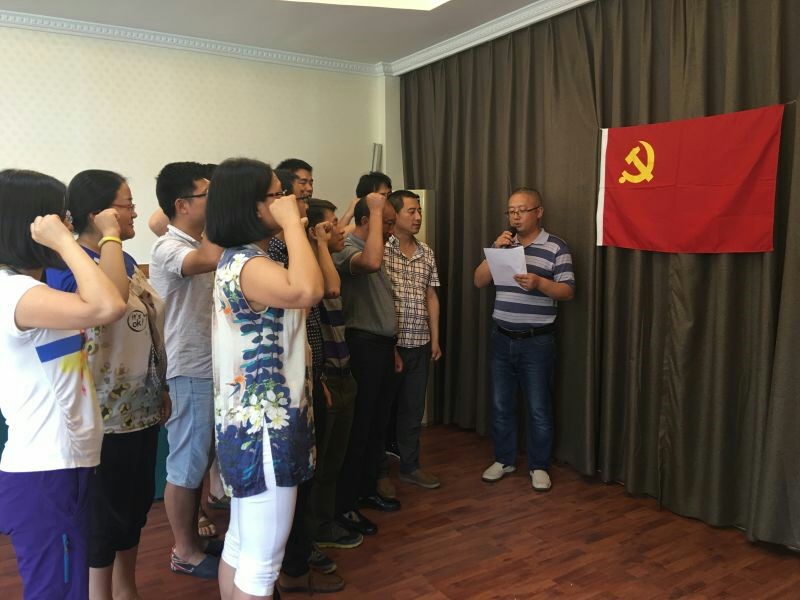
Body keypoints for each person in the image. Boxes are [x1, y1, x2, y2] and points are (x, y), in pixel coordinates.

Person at [0, 169, 126, 599]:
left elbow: (111, 298)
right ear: (32, 223)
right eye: (61, 217)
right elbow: (107, 306)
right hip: (45, 469)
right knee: (57, 592)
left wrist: (89, 239)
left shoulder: (29, 288)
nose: (69, 226)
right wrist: (64, 242)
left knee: (71, 588)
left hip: (64, 463)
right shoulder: (14, 293)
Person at [46, 170, 170, 600]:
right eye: (126, 204)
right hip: (100, 417)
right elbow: (112, 304)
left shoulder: (126, 260)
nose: (134, 212)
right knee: (102, 519)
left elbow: (146, 329)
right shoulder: (66, 266)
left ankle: (125, 589)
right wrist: (110, 239)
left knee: (134, 509)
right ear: (97, 214)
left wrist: (160, 387)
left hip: (141, 408)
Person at [206, 158, 323, 600]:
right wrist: (293, 224)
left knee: (241, 546)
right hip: (265, 431)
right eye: (277, 194)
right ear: (251, 205)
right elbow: (308, 290)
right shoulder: (249, 265)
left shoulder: (241, 259)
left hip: (250, 424)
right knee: (261, 565)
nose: (287, 200)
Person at [473, 187, 575, 492]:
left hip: (537, 341)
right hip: (501, 337)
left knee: (538, 407)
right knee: (501, 404)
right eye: (511, 211)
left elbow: (568, 291)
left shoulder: (556, 246)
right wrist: (494, 250)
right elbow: (479, 280)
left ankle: (539, 465)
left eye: (522, 210)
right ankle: (504, 459)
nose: (515, 217)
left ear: (538, 212)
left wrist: (540, 283)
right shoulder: (504, 244)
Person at [149, 162, 224, 578]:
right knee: (186, 465)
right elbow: (210, 258)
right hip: (187, 367)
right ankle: (183, 552)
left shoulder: (192, 239)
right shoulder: (169, 246)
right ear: (182, 205)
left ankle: (194, 540)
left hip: (208, 366)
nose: (215, 201)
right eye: (207, 195)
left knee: (201, 458)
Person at [333, 172, 401, 538]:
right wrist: (376, 210)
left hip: (382, 348)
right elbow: (370, 263)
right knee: (359, 429)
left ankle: (366, 488)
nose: (390, 230)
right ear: (366, 220)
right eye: (386, 223)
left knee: (377, 426)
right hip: (362, 347)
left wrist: (394, 348)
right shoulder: (348, 248)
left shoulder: (376, 245)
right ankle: (346, 503)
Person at [304, 199, 361, 550]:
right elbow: (331, 289)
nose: (340, 230)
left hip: (343, 370)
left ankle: (327, 519)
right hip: (326, 377)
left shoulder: (326, 260)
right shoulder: (310, 268)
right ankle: (316, 530)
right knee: (321, 462)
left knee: (335, 460)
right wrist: (321, 244)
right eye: (331, 225)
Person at [383, 190, 442, 490]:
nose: (418, 217)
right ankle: (379, 473)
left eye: (419, 211)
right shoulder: (381, 248)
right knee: (382, 410)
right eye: (411, 211)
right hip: (388, 345)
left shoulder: (426, 252)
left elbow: (431, 295)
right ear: (394, 215)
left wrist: (436, 338)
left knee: (413, 409)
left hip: (419, 341)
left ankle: (410, 466)